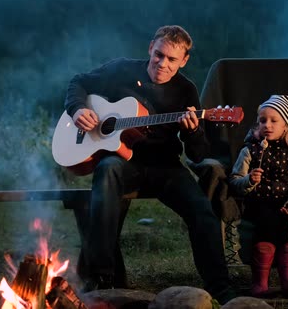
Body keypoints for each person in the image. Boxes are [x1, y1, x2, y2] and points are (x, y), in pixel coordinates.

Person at [63, 25, 235, 303]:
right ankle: (101, 278)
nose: (163, 64)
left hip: (165, 167)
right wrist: (79, 108)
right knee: (106, 170)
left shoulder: (186, 90)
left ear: (184, 60)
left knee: (203, 212)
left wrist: (192, 131)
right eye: (158, 55)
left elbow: (199, 152)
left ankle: (221, 289)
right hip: (122, 163)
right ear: (150, 48)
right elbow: (78, 82)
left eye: (171, 59)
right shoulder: (121, 69)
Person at [228, 95, 288, 298]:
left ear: (286, 126)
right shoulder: (250, 150)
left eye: (274, 121)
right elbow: (235, 181)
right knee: (265, 223)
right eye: (263, 120)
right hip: (259, 203)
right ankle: (260, 282)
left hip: (285, 203)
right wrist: (250, 180)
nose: (267, 125)